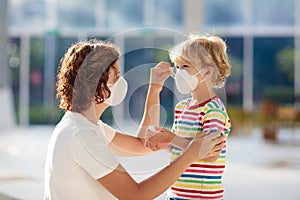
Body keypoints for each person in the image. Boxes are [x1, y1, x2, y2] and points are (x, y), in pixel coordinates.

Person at [44, 39, 225, 200]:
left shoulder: (88, 127)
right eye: (117, 76)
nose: (122, 82)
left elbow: (142, 144)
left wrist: (154, 90)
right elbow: (135, 196)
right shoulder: (80, 135)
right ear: (96, 85)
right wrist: (190, 155)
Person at [145, 33, 232, 200]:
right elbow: (179, 147)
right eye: (177, 67)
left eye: (185, 66)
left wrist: (171, 138)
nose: (178, 73)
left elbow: (211, 154)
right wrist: (162, 142)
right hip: (175, 193)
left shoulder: (213, 111)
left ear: (207, 72)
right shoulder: (182, 107)